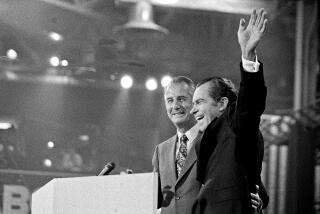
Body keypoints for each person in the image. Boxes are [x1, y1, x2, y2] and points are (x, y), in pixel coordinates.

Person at [190, 8, 268, 214]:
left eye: (199, 102)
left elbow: (249, 106)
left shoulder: (235, 125)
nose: (192, 110)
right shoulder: (203, 140)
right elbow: (241, 174)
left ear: (223, 103)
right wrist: (258, 194)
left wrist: (248, 55)